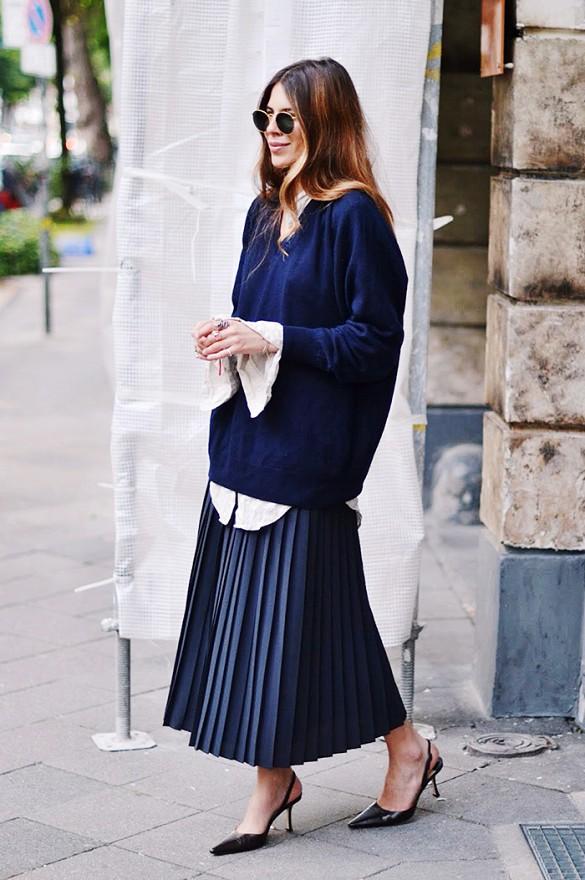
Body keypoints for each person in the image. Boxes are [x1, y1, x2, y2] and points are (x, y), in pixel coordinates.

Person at [162, 56, 442, 856]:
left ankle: (277, 783)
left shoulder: (355, 217)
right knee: (310, 619)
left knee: (280, 624)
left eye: (286, 117)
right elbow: (259, 319)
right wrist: (228, 334)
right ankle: (396, 752)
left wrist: (272, 337)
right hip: (248, 443)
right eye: (265, 117)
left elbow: (374, 343)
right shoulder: (266, 212)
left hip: (308, 453)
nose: (272, 131)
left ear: (326, 121)